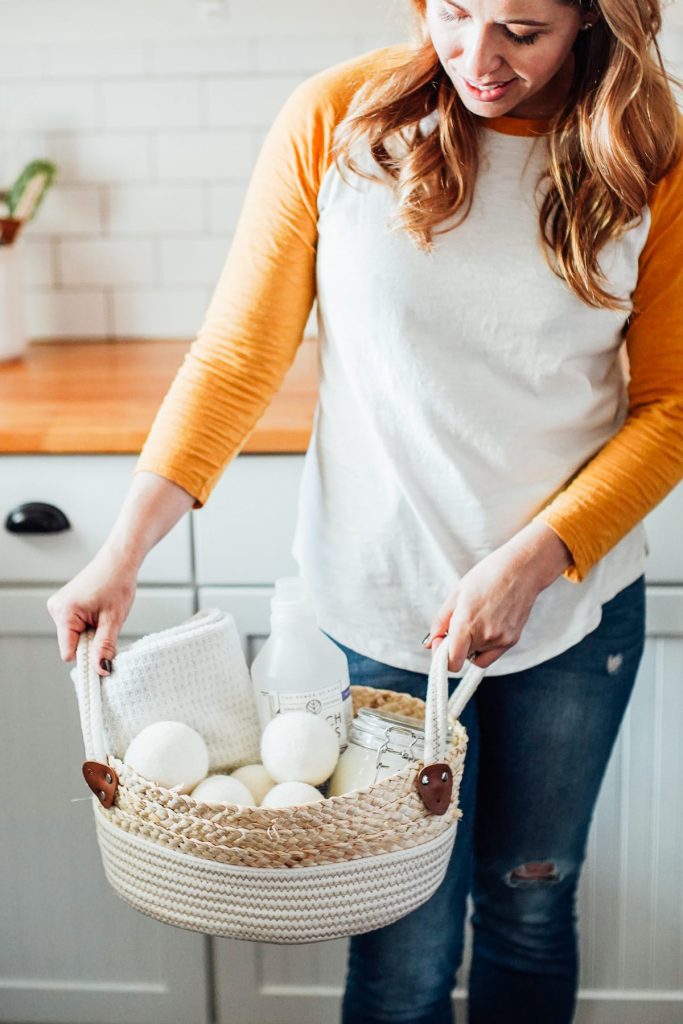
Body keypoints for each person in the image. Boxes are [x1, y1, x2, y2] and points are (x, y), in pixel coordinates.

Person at [48, 0, 683, 1020]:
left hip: (567, 614)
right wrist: (120, 553)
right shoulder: (337, 121)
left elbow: (670, 406)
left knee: (528, 907)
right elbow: (235, 357)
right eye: (455, 13)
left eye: (522, 30)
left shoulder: (648, 154)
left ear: (590, 22)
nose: (477, 59)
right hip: (377, 618)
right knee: (399, 950)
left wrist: (529, 561)